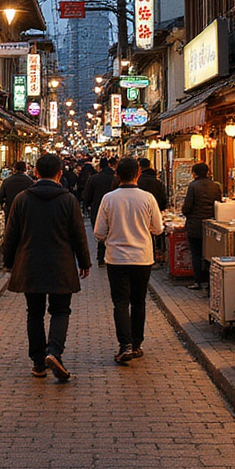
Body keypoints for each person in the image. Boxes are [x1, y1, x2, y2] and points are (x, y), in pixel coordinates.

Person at [2, 152, 91, 381]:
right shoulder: (68, 200)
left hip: (30, 264)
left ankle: (38, 363)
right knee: (60, 311)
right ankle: (54, 352)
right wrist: (84, 262)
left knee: (34, 313)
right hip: (61, 265)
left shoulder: (22, 199)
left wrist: (8, 262)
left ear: (36, 172)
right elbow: (78, 235)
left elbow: (11, 235)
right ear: (60, 174)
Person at [93, 156, 163, 364]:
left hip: (116, 258)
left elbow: (98, 232)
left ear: (117, 174)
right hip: (142, 258)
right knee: (138, 301)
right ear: (138, 173)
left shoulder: (109, 199)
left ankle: (124, 345)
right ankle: (136, 344)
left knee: (120, 302)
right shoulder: (148, 198)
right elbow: (158, 228)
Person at [181, 162, 223, 290]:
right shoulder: (215, 186)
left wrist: (186, 214)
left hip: (195, 225)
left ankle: (197, 281)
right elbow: (219, 204)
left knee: (196, 254)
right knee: (210, 254)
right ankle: (210, 282)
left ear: (194, 173)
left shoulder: (193, 186)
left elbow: (187, 207)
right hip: (211, 225)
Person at [83, 156, 117, 263]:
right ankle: (111, 254)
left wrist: (86, 206)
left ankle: (101, 255)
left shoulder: (94, 178)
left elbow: (87, 195)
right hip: (114, 208)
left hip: (97, 207)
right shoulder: (116, 178)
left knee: (101, 231)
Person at [137, 156, 169, 261]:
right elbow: (163, 197)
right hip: (156, 211)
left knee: (144, 234)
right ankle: (158, 253)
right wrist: (162, 208)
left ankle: (147, 254)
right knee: (157, 232)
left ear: (140, 168)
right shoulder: (157, 181)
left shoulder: (138, 181)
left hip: (141, 213)